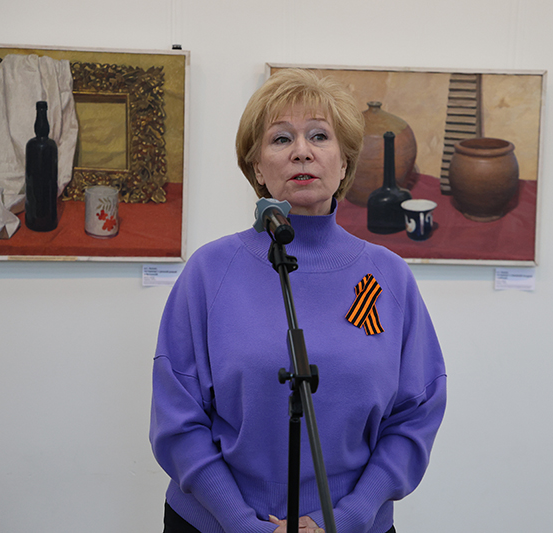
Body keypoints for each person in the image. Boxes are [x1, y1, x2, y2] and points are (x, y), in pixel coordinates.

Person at [150, 68, 446, 533]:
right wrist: (241, 522)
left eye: (319, 136)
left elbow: (415, 415)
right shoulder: (210, 271)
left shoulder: (387, 276)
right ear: (257, 168)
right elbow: (178, 418)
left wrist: (345, 518)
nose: (302, 151)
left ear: (344, 163)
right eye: (281, 138)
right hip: (215, 522)